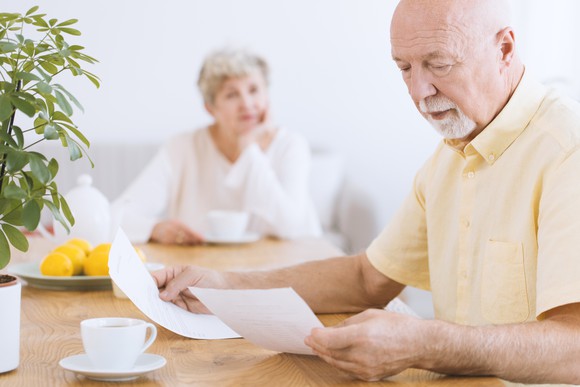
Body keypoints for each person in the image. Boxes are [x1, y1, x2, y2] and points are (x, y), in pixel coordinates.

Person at [151, 0, 580, 383]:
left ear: (504, 48)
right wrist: (222, 286)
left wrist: (425, 343)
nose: (418, 92)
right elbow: (367, 278)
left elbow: (574, 349)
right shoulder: (450, 154)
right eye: (404, 68)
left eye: (439, 64)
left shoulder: (566, 151)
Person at [113, 48, 321, 245]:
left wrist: (249, 150)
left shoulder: (290, 145)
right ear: (211, 108)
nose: (247, 103)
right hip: (207, 271)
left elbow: (290, 226)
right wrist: (155, 228)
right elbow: (117, 215)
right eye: (232, 95)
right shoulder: (182, 147)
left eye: (254, 90)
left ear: (267, 96)